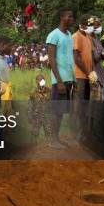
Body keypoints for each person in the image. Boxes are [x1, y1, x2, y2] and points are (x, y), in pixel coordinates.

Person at [45, 8, 75, 148]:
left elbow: (70, 58)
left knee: (62, 111)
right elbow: (51, 59)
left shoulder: (69, 35)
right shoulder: (53, 35)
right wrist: (60, 80)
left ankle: (56, 138)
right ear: (62, 17)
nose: (71, 19)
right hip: (59, 80)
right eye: (69, 16)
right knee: (56, 110)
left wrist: (73, 79)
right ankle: (52, 140)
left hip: (69, 79)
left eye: (72, 17)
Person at [28, 74, 52, 140]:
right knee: (34, 133)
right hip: (37, 116)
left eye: (42, 79)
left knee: (49, 133)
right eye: (39, 79)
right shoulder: (33, 92)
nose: (40, 81)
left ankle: (48, 147)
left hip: (47, 115)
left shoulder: (49, 91)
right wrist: (30, 116)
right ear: (36, 81)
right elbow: (30, 105)